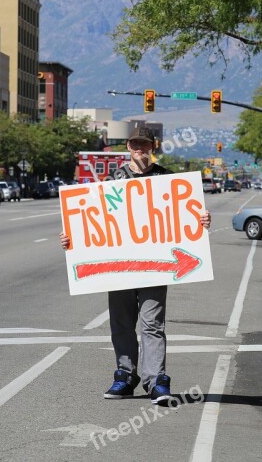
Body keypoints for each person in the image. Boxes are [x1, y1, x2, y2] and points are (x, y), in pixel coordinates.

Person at [59, 127, 211, 405]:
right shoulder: (112, 179)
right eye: (134, 143)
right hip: (120, 267)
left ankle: (156, 381)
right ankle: (126, 376)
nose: (139, 148)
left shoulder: (167, 179)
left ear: (152, 146)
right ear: (128, 146)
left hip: (156, 266)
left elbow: (185, 218)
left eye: (144, 143)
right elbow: (93, 218)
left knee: (152, 323)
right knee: (122, 323)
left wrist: (201, 222)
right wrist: (72, 238)